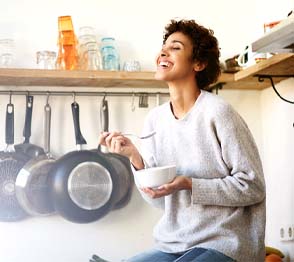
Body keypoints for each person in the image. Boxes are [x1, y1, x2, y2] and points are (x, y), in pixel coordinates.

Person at [98, 19, 266, 262]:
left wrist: (190, 184)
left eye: (175, 47)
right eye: (163, 46)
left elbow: (253, 187)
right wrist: (135, 158)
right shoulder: (155, 119)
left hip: (226, 242)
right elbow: (156, 199)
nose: (163, 52)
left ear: (198, 63)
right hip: (174, 243)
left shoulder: (219, 113)